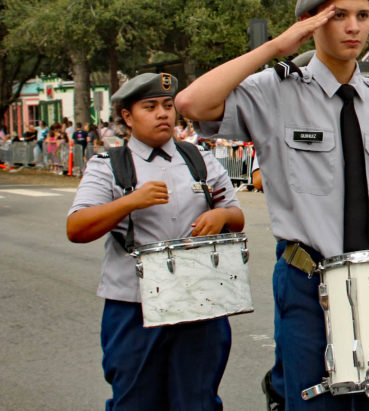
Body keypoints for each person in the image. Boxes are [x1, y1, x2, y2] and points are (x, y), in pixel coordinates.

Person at [175, 0, 369, 410]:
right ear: (311, 23)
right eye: (338, 15)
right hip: (308, 281)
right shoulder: (275, 91)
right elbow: (193, 103)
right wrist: (276, 46)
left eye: (363, 16)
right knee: (314, 403)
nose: (353, 27)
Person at [67, 73, 244, 410]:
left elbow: (235, 213)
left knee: (198, 400)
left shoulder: (199, 160)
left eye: (167, 106)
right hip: (135, 307)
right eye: (150, 107)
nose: (163, 114)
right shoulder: (109, 166)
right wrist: (130, 201)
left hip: (200, 302)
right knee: (135, 401)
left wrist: (221, 217)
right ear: (127, 116)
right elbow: (76, 227)